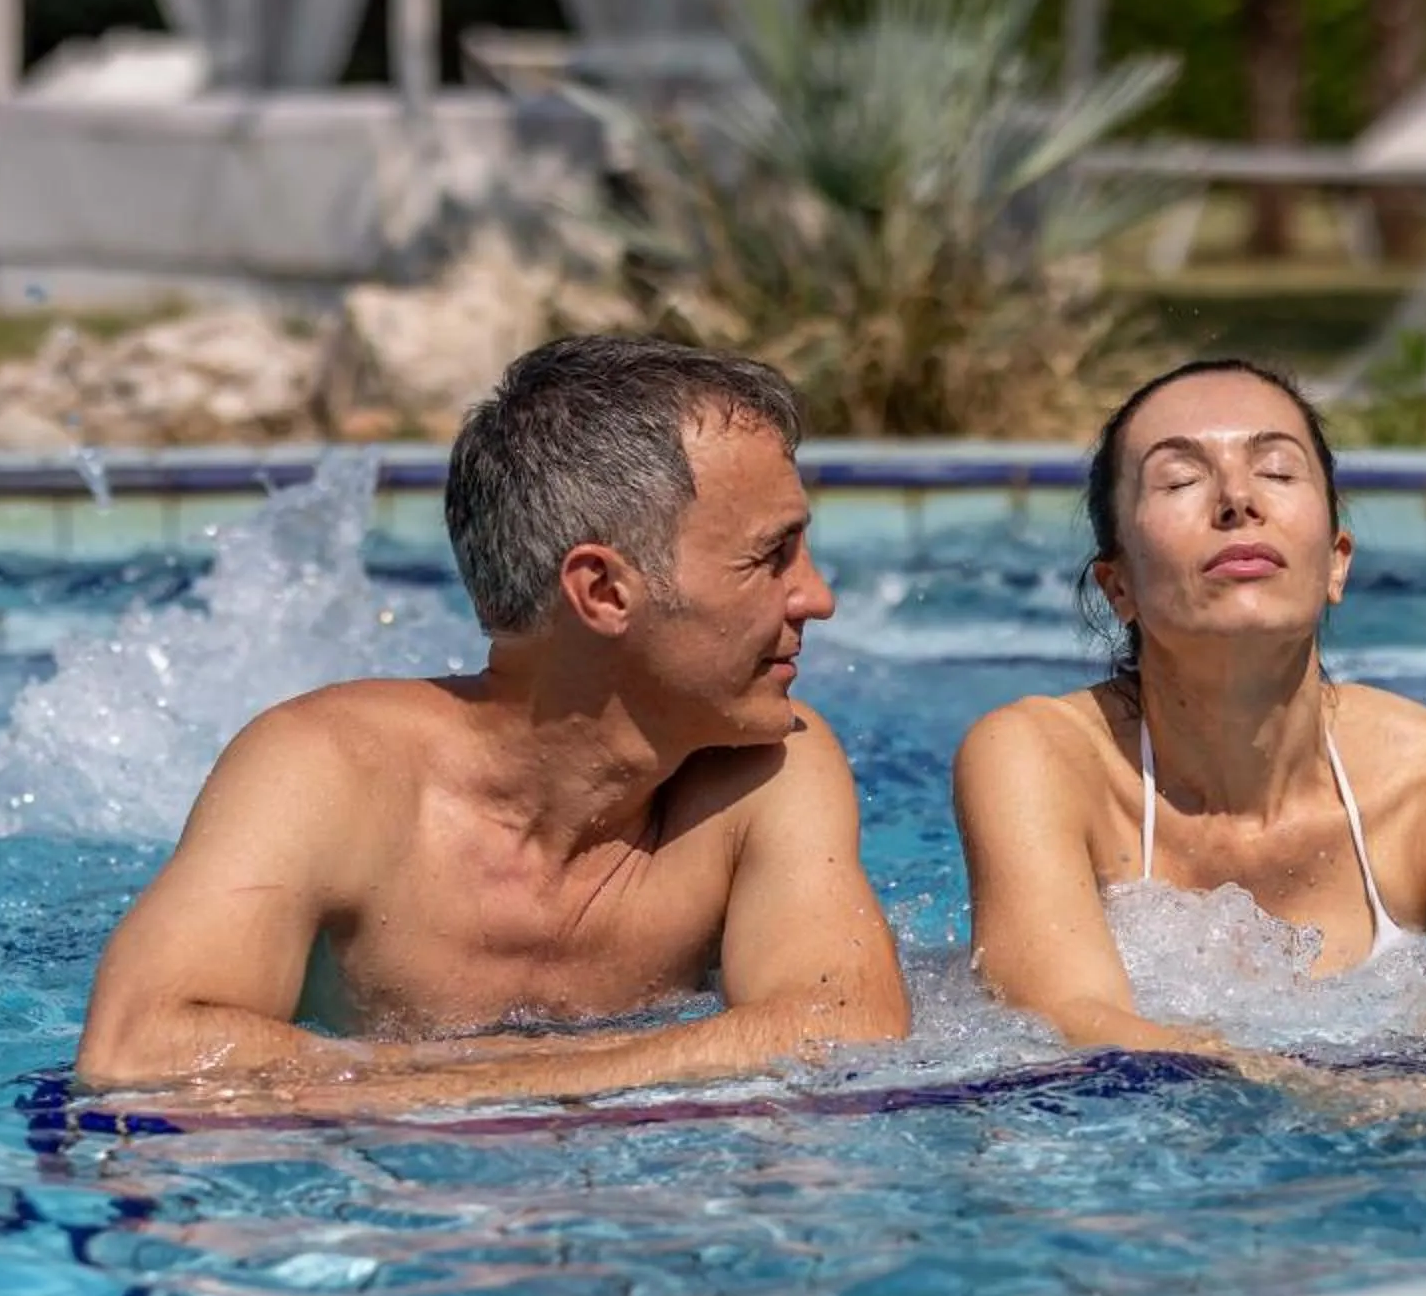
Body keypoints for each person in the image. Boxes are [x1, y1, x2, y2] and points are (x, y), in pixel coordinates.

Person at [75, 336, 908, 1109]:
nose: (817, 597)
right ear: (605, 592)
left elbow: (848, 1027)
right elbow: (138, 1049)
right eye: (771, 557)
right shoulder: (330, 772)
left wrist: (491, 1086)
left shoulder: (770, 766)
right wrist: (521, 1088)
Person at [953, 358, 1426, 1064]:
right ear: (1118, 586)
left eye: (1276, 471)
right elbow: (1065, 1013)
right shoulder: (1039, 759)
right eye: (1180, 479)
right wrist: (1304, 1094)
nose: (1237, 499)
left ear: (1337, 561)